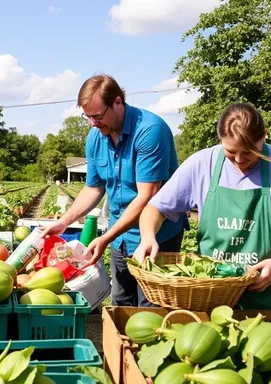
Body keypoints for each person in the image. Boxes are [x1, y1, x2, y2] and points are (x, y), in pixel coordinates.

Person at [133, 103, 271, 310]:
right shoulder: (201, 164)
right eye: (230, 151)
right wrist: (148, 236)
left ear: (264, 135)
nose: (239, 160)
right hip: (211, 296)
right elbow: (155, 209)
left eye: (249, 152)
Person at [40, 74, 188, 307]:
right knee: (121, 303)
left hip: (155, 237)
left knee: (150, 309)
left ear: (118, 102)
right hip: (120, 235)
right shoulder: (96, 137)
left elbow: (147, 196)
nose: (92, 123)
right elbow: (93, 187)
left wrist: (106, 237)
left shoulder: (150, 131)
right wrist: (64, 221)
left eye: (97, 116)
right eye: (87, 117)